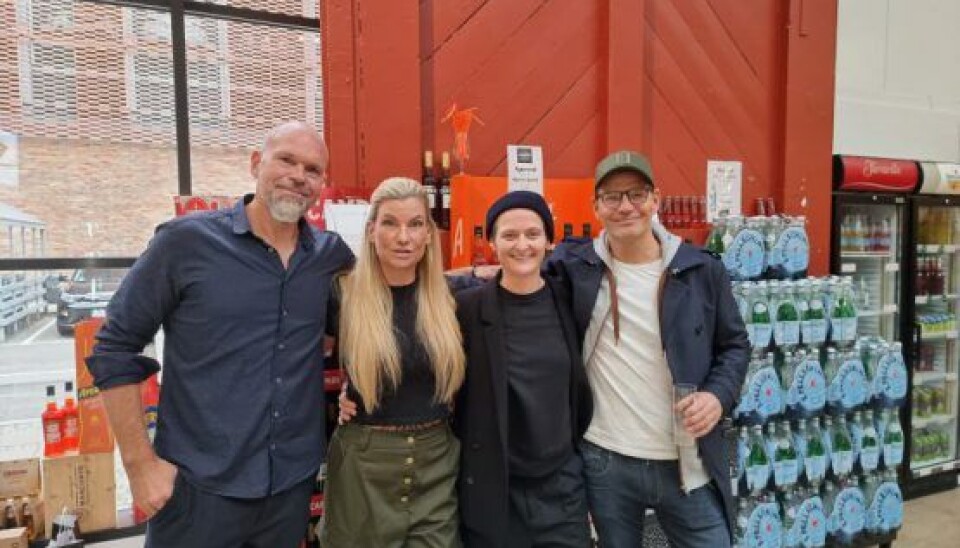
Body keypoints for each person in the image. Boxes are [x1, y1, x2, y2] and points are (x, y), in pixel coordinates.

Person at [86, 122, 354, 548]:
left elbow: (388, 301)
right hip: (198, 490)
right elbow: (113, 347)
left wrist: (484, 278)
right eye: (286, 160)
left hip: (287, 488)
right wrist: (140, 467)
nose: (299, 176)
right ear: (255, 164)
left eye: (313, 169)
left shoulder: (328, 256)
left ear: (322, 184)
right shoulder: (186, 244)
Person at [546, 151, 750, 547]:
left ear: (656, 199)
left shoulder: (701, 270)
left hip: (685, 462)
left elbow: (735, 346)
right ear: (596, 206)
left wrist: (717, 396)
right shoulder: (577, 268)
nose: (625, 206)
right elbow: (519, 278)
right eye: (612, 196)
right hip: (605, 460)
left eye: (636, 194)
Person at [321, 177, 466, 548]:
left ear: (430, 234)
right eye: (390, 223)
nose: (403, 237)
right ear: (371, 231)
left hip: (438, 461)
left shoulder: (451, 299)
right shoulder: (341, 294)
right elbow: (285, 356)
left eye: (415, 224)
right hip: (363, 468)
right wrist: (330, 404)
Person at [454, 191, 593, 547]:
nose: (522, 245)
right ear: (491, 242)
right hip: (496, 490)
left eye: (533, 234)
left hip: (562, 489)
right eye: (509, 235)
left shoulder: (571, 300)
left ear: (550, 241)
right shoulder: (467, 310)